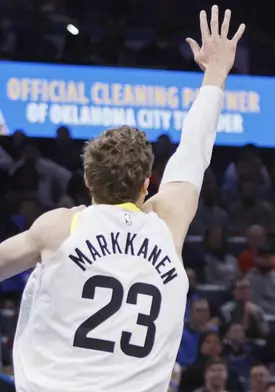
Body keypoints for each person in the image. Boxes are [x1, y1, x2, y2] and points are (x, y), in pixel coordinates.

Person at [0, 6, 245, 392]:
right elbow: (195, 150)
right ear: (148, 183)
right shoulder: (168, 222)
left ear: (86, 179)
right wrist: (215, 73)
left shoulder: (60, 226)